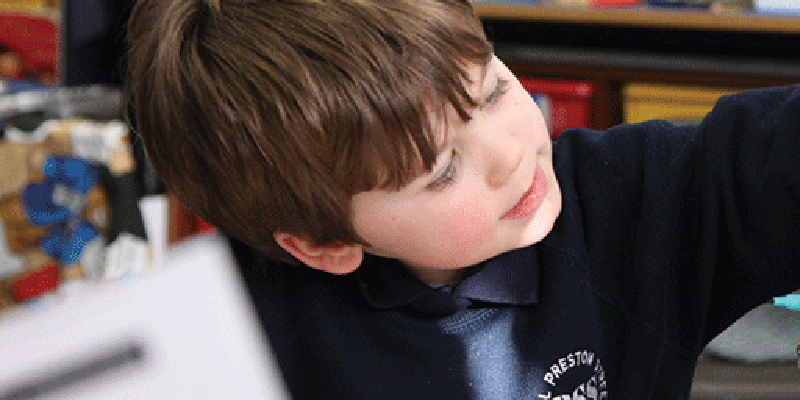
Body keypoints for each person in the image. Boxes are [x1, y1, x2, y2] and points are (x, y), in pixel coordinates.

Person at [124, 0, 800, 398]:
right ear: (325, 245)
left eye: (494, 92)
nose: (510, 153)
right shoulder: (229, 330)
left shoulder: (631, 202)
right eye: (442, 170)